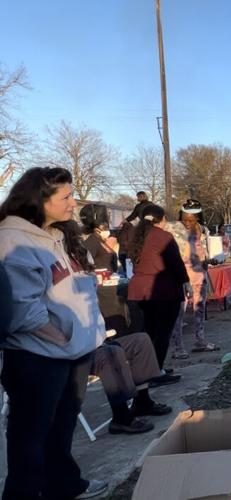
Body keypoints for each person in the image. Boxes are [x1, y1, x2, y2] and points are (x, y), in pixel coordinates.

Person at [0, 167, 108, 499]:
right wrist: (64, 338)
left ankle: (64, 485)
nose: (74, 203)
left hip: (72, 353)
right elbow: (22, 309)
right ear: (39, 200)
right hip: (37, 358)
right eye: (66, 197)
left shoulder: (62, 235)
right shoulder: (12, 240)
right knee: (30, 439)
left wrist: (83, 338)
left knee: (61, 429)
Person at [127, 203, 191, 372]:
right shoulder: (163, 237)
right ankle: (156, 370)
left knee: (148, 332)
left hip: (139, 291)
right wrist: (186, 282)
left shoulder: (136, 236)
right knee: (162, 333)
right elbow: (175, 263)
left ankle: (145, 370)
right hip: (162, 290)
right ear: (162, 219)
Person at [91, 332, 175, 434]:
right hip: (77, 356)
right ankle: (120, 417)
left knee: (141, 340)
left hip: (98, 344)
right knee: (111, 353)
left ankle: (142, 402)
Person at [168, 199, 217, 358]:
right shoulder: (172, 229)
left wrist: (210, 259)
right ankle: (178, 347)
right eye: (185, 218)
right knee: (179, 312)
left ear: (198, 217)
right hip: (181, 276)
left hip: (199, 273)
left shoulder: (203, 230)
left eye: (191, 219)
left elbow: (202, 251)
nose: (188, 222)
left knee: (199, 309)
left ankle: (200, 340)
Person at [80, 203, 119, 273]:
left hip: (109, 279)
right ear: (96, 228)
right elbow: (85, 263)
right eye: (104, 225)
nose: (107, 226)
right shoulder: (92, 241)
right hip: (99, 280)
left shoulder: (101, 240)